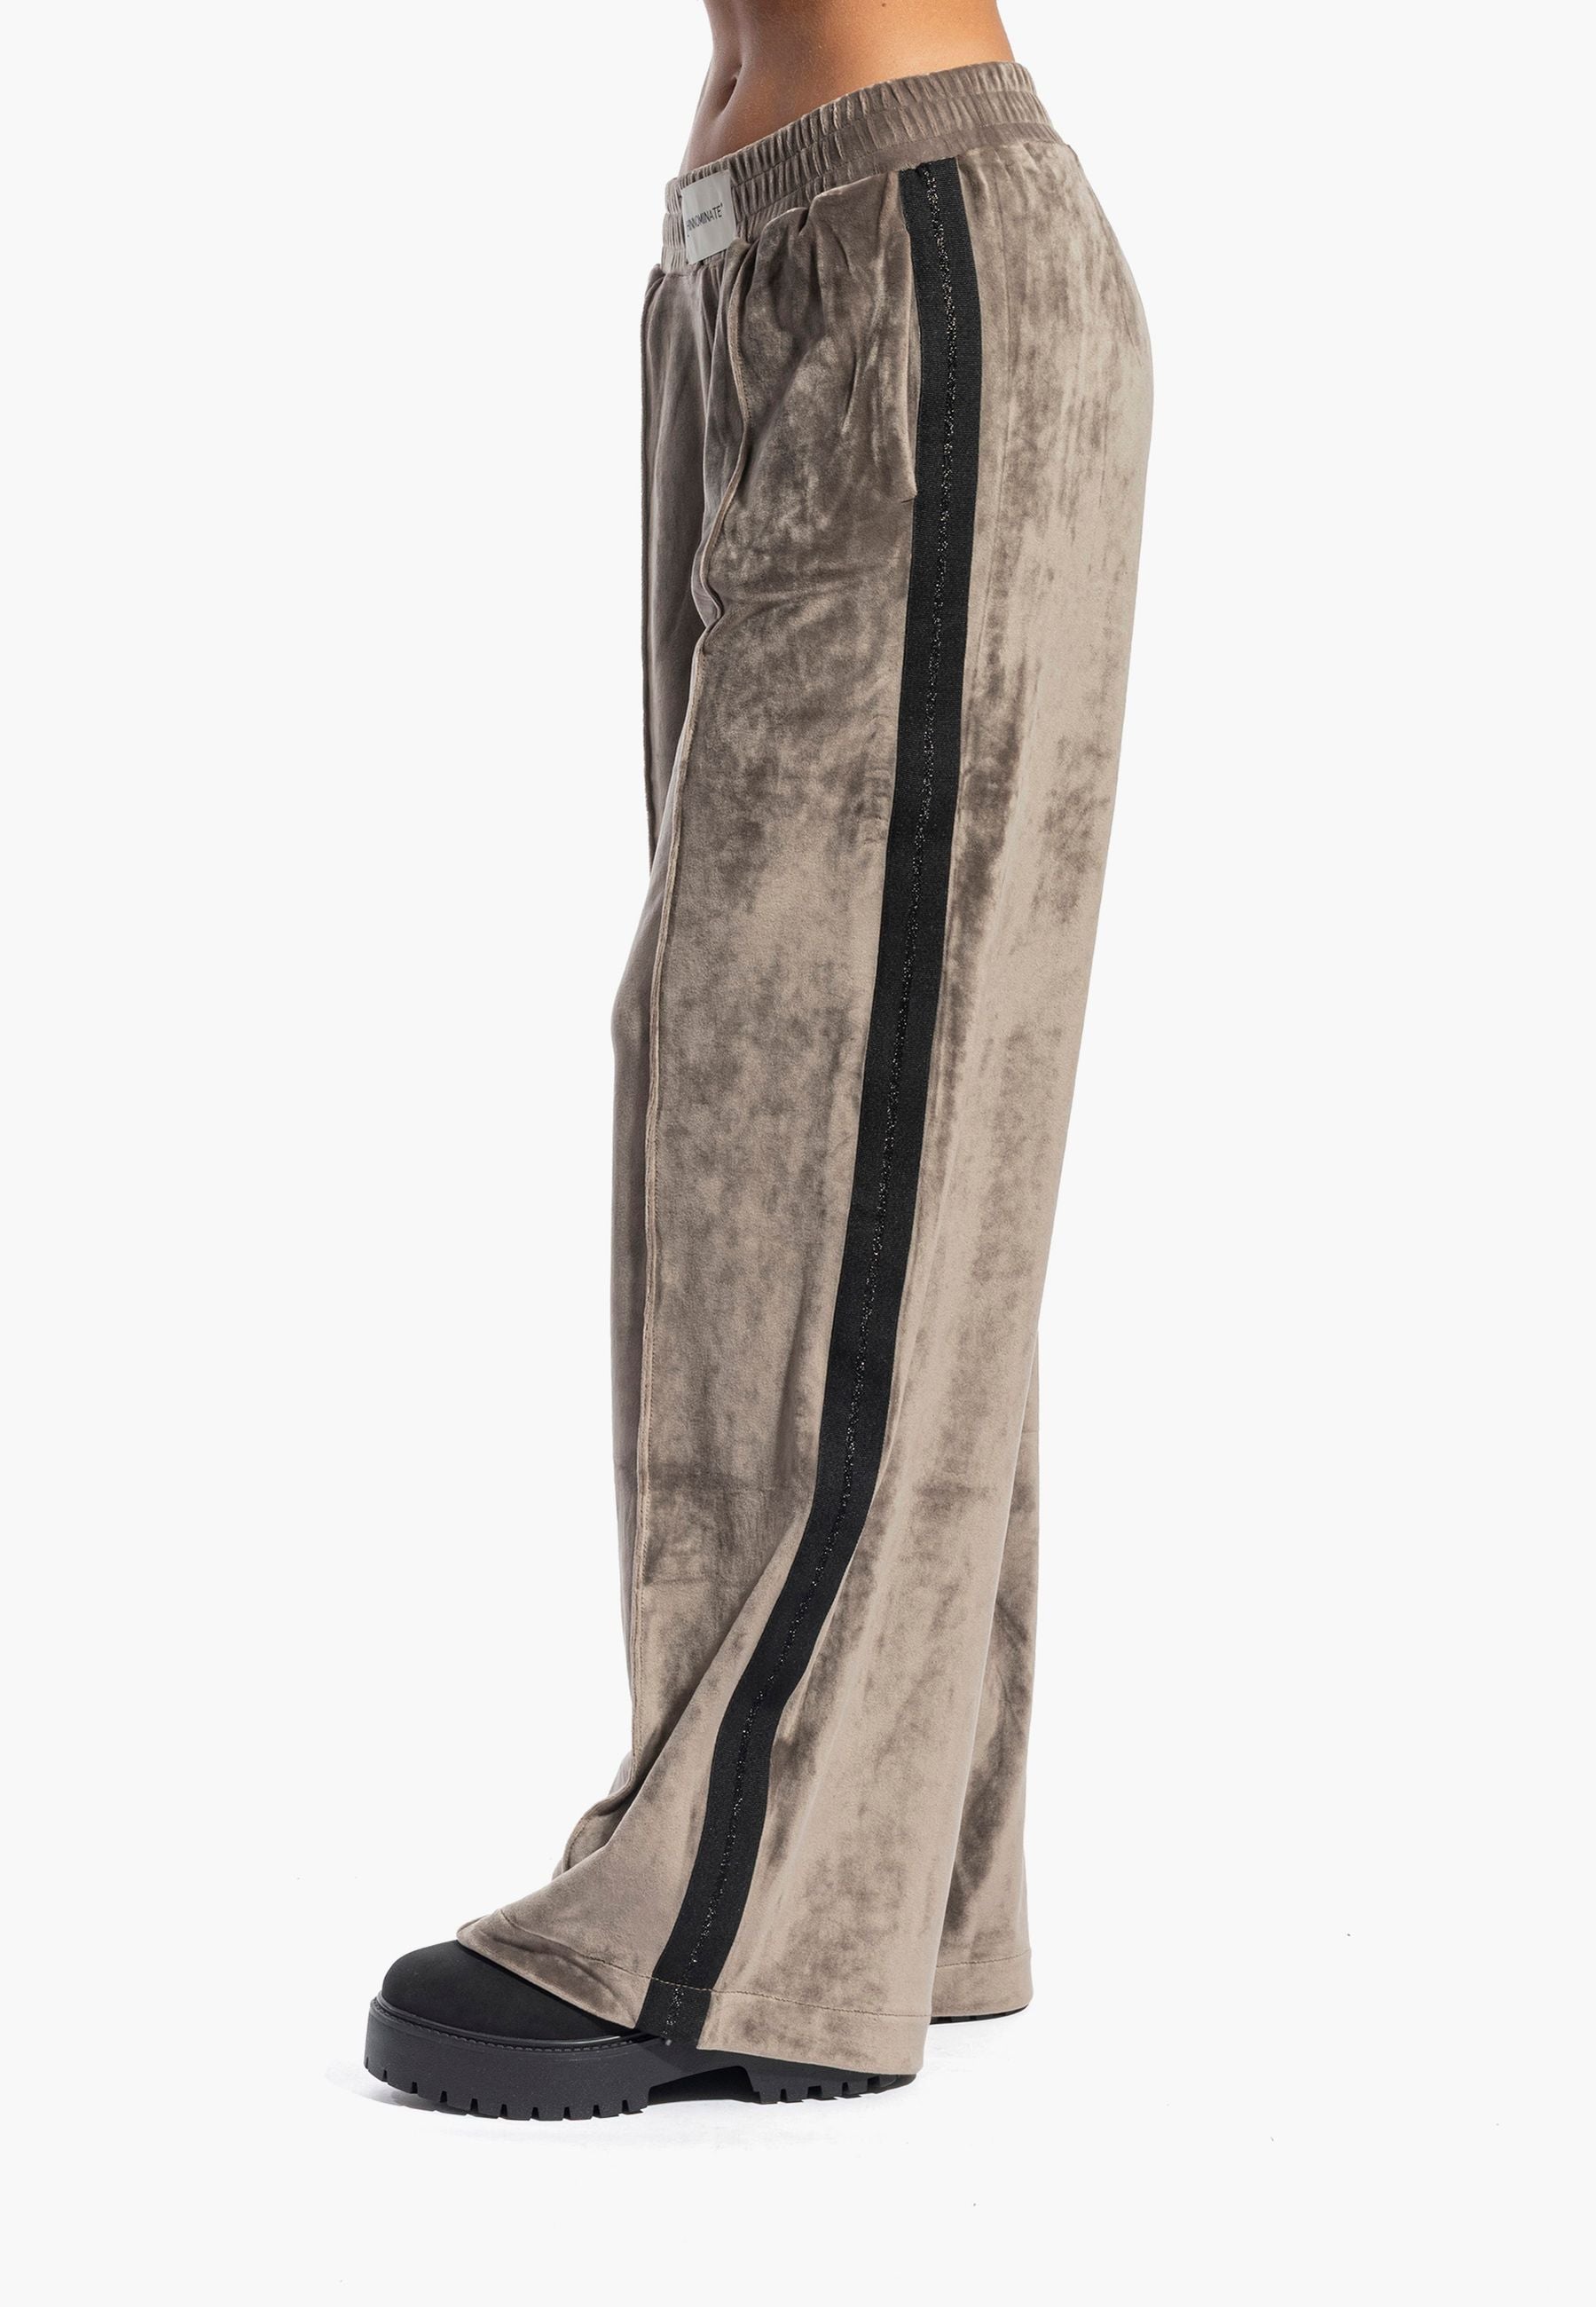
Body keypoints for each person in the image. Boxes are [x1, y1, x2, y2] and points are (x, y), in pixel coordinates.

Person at [365, 0, 1152, 2120]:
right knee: (819, 1067)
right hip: (760, 261)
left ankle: (745, 1913)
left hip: (917, 242)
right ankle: (901, 1879)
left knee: (819, 1082)